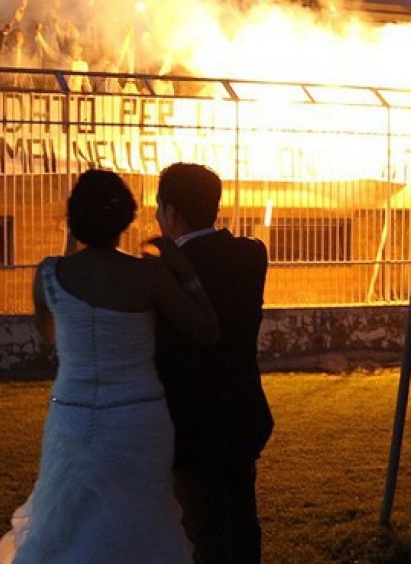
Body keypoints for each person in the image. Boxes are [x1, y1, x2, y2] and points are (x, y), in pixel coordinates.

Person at [0, 169, 219, 564]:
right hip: (138, 416)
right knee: (142, 523)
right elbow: (206, 329)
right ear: (126, 219)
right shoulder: (148, 274)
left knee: (68, 526)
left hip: (72, 414)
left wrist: (69, 253)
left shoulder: (49, 274)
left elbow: (51, 335)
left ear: (74, 220)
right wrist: (186, 273)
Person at [153, 163, 274, 564]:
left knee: (202, 531)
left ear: (170, 212)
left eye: (159, 208)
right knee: (243, 522)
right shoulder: (251, 255)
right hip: (241, 412)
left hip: (190, 423)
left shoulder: (163, 271)